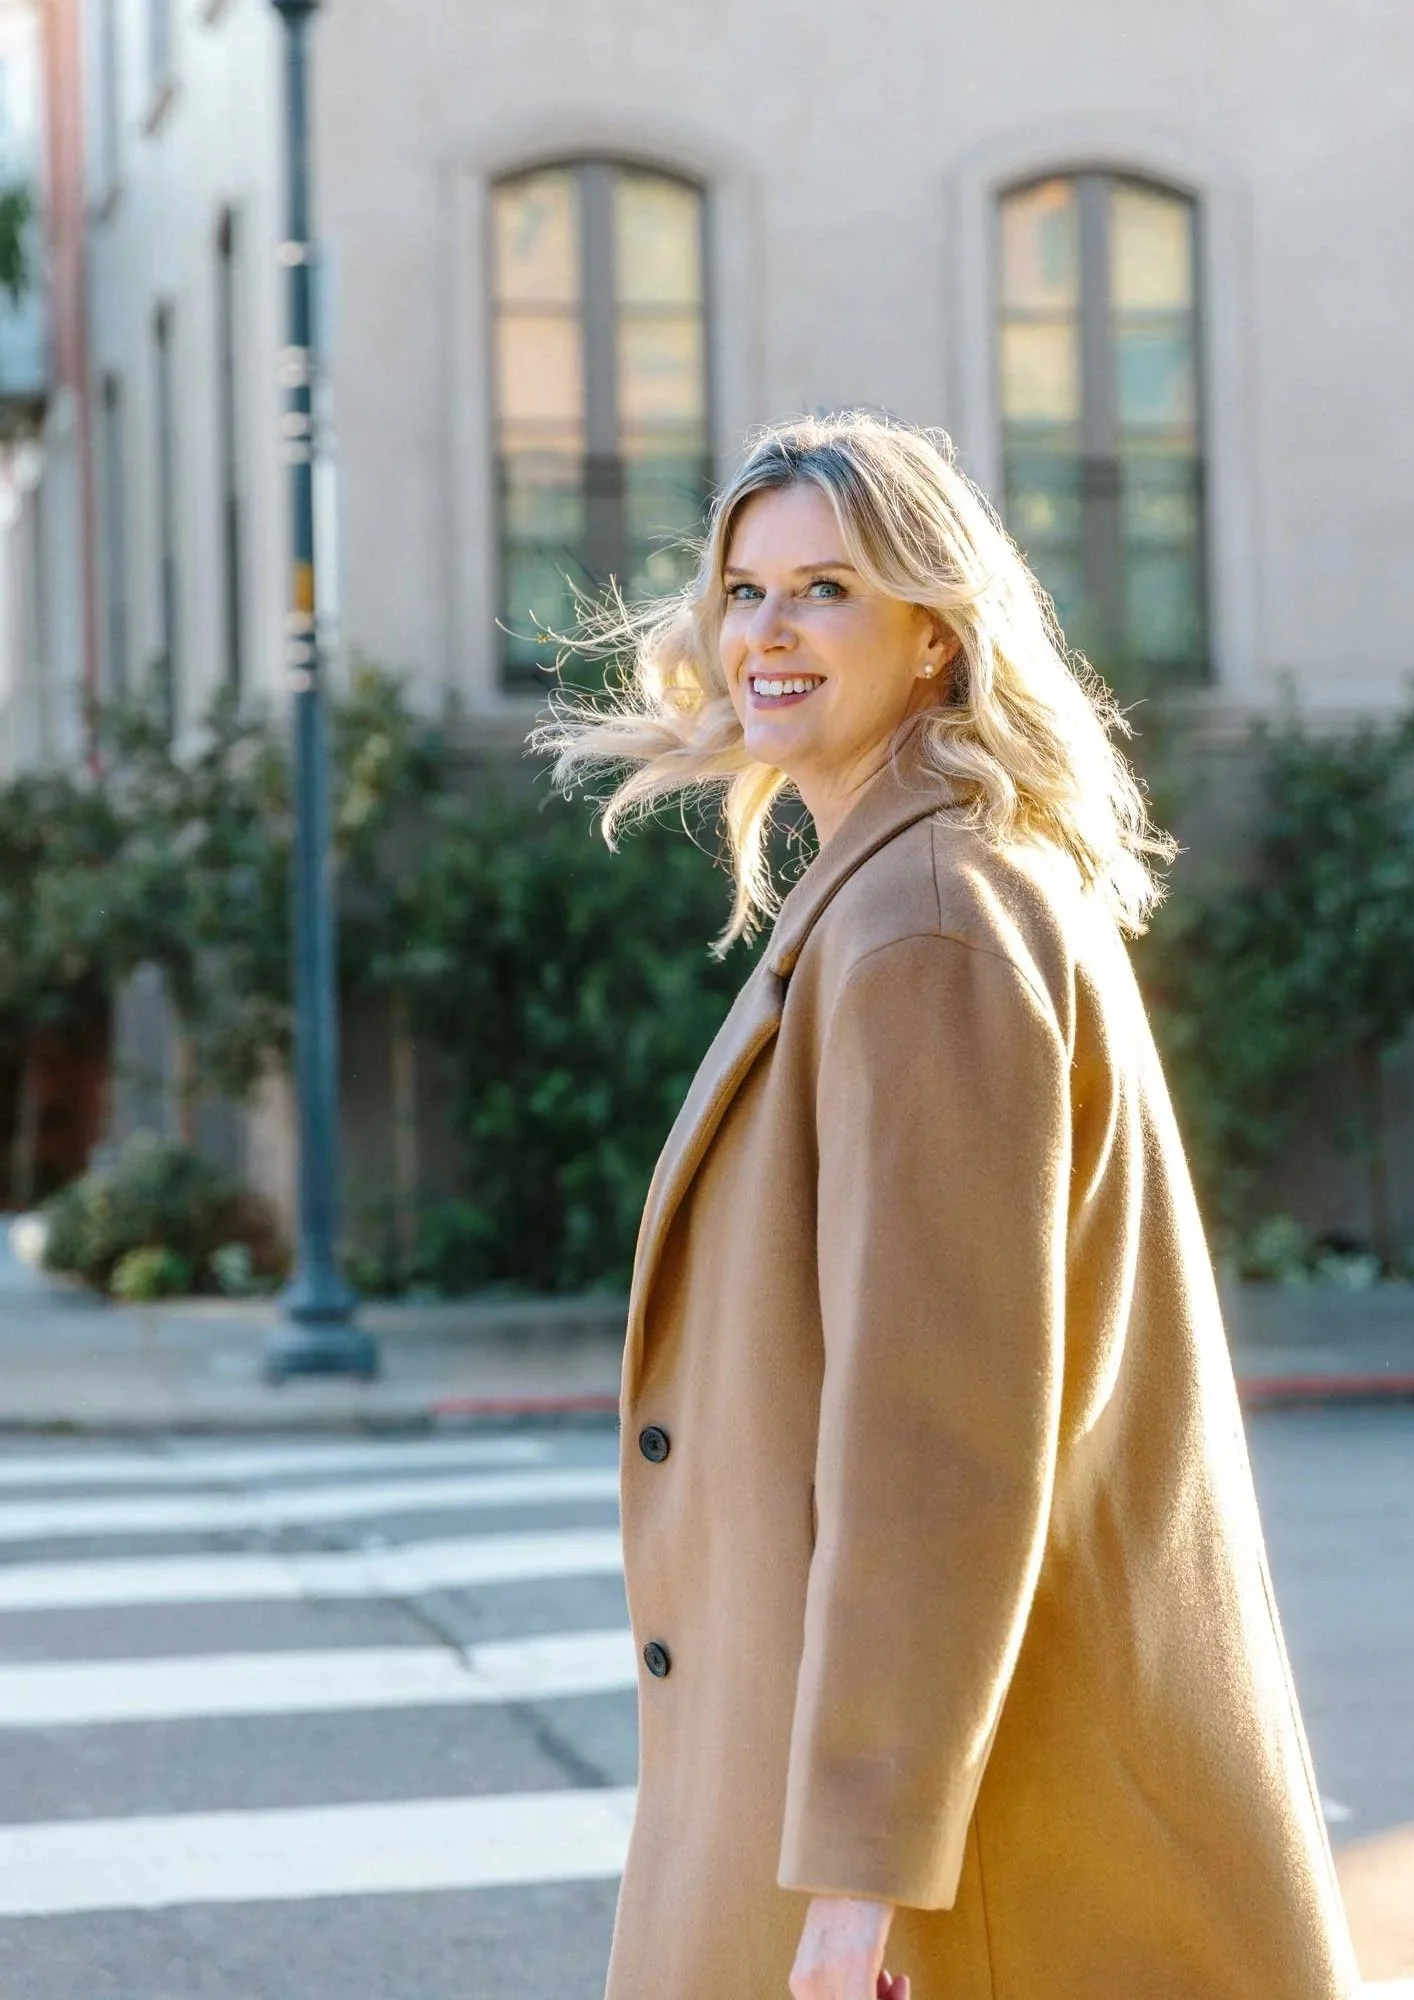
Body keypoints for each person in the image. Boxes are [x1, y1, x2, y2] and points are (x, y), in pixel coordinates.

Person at [536, 412, 1359, 2000]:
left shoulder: (922, 922)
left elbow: (939, 1436)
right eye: (746, 589)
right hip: (947, 1814)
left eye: (826, 589)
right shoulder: (912, 886)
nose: (767, 634)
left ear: (933, 636)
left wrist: (858, 1879)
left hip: (958, 1862)